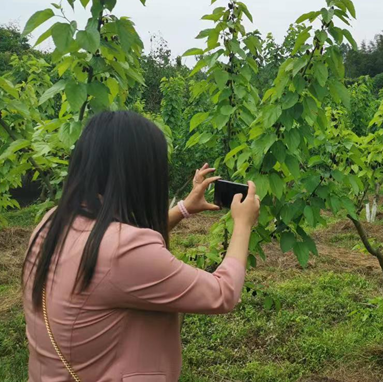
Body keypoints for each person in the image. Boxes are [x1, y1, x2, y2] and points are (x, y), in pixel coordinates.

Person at [22, 111, 260, 382]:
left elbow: (112, 256)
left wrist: (184, 208)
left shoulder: (52, 221)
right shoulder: (124, 251)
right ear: (140, 173)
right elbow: (223, 293)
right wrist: (243, 224)